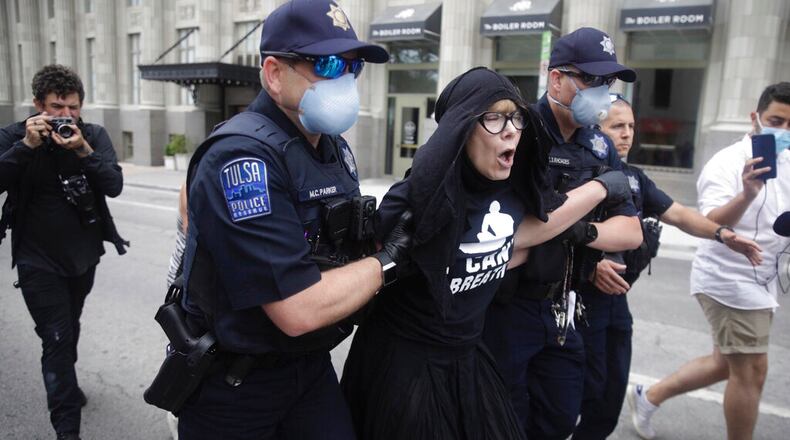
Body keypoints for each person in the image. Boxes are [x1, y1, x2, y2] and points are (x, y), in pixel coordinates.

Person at [340, 66, 639, 440]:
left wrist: (597, 190)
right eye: (494, 118)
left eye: (516, 117)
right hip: (403, 369)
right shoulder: (416, 199)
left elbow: (532, 229)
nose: (511, 129)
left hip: (468, 362)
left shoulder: (515, 193)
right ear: (461, 130)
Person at [174, 1, 412, 438]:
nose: (343, 79)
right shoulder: (241, 155)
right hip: (237, 388)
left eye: (351, 67)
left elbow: (343, 243)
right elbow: (297, 309)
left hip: (308, 367)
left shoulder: (332, 147)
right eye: (326, 64)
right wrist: (392, 261)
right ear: (273, 72)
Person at [482, 27, 643, 440]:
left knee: (560, 417)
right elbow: (509, 233)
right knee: (505, 421)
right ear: (557, 78)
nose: (603, 92)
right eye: (591, 80)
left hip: (563, 306)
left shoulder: (599, 147)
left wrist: (576, 231)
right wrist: (579, 218)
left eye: (608, 83)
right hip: (508, 306)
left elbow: (629, 232)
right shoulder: (518, 131)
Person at [571, 95, 763, 439]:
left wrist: (721, 234)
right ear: (594, 130)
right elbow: (554, 231)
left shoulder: (634, 178)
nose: (627, 134)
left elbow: (679, 214)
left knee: (610, 398)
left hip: (618, 303)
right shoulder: (575, 173)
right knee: (577, 396)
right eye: (617, 126)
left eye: (631, 126)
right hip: (579, 303)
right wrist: (590, 265)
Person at [628, 82, 790, 440]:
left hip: (765, 276)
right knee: (751, 370)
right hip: (730, 278)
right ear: (756, 118)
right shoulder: (727, 162)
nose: (784, 132)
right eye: (776, 120)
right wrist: (748, 194)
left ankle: (648, 397)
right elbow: (711, 221)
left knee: (724, 364)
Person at [0, 64, 127, 440]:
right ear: (38, 105)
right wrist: (27, 147)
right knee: (55, 339)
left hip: (84, 257)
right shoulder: (15, 136)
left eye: (73, 107)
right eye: (57, 107)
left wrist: (84, 150)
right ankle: (67, 429)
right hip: (37, 260)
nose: (66, 116)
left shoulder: (92, 135)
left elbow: (114, 184)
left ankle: (66, 385)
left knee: (69, 328)